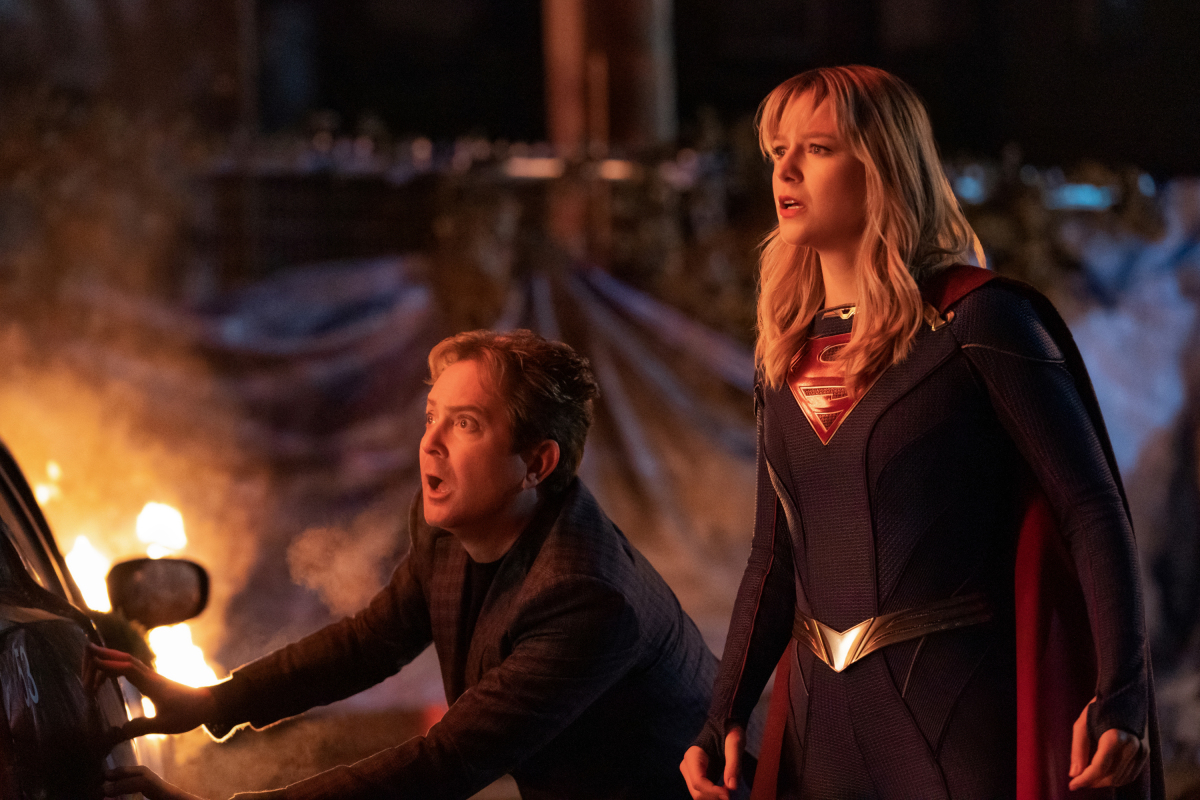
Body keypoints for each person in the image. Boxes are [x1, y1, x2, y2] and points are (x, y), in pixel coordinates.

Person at [679, 65, 1163, 800]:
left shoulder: (980, 320)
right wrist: (720, 719)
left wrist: (1119, 694)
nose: (786, 170)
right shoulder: (785, 352)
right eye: (778, 151)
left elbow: (1090, 508)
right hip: (818, 726)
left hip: (954, 713)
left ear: (883, 166)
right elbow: (773, 558)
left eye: (817, 148)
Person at [87, 329, 718, 800]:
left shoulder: (585, 597)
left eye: (465, 423)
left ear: (537, 464)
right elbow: (370, 643)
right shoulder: (451, 524)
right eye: (431, 416)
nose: (430, 443)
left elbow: (444, 766)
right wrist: (211, 703)